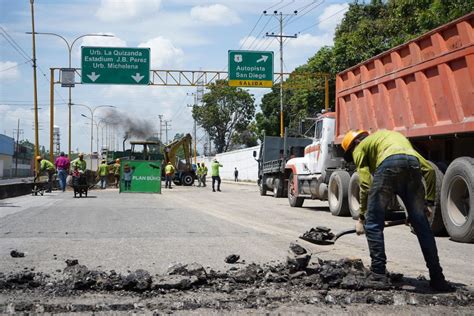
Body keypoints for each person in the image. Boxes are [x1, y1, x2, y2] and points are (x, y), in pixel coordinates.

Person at [341, 129, 452, 292]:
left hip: (387, 167)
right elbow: (429, 170)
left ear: (354, 144)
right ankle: (437, 278)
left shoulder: (359, 147)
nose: (353, 157)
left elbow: (365, 184)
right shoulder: (396, 139)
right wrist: (427, 204)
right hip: (412, 167)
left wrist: (362, 217)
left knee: (373, 223)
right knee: (421, 225)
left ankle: (378, 274)